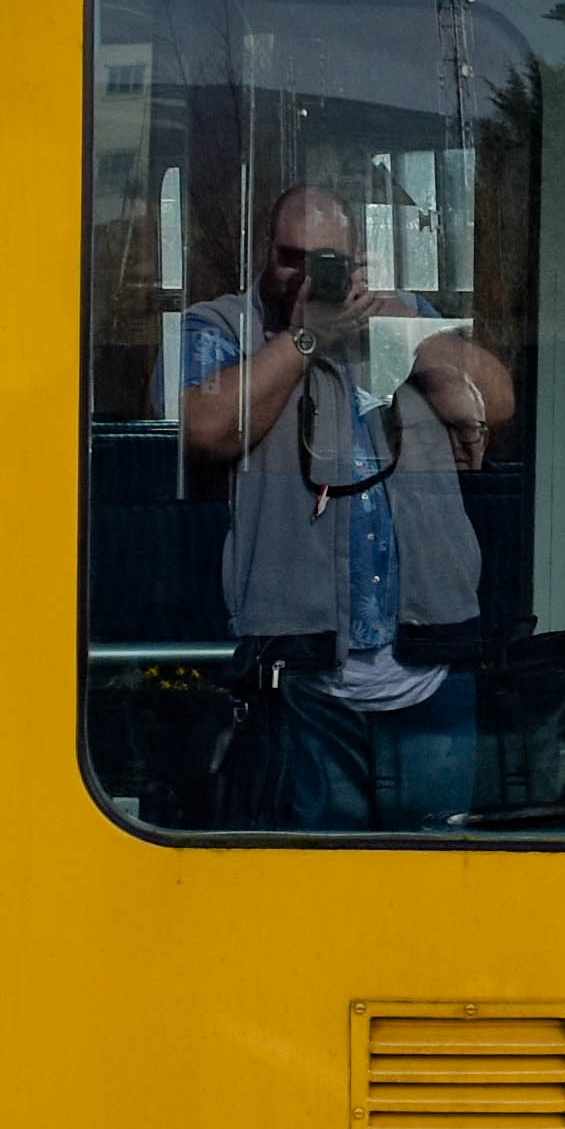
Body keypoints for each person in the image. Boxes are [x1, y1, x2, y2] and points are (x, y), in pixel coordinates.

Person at [169, 181, 515, 826]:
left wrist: (402, 329)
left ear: (359, 263)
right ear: (264, 252)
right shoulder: (224, 326)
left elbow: (494, 401)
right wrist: (302, 341)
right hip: (302, 681)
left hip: (431, 670)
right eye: (291, 259)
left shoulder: (399, 319)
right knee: (309, 880)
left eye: (328, 263)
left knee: (439, 876)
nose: (307, 277)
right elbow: (204, 429)